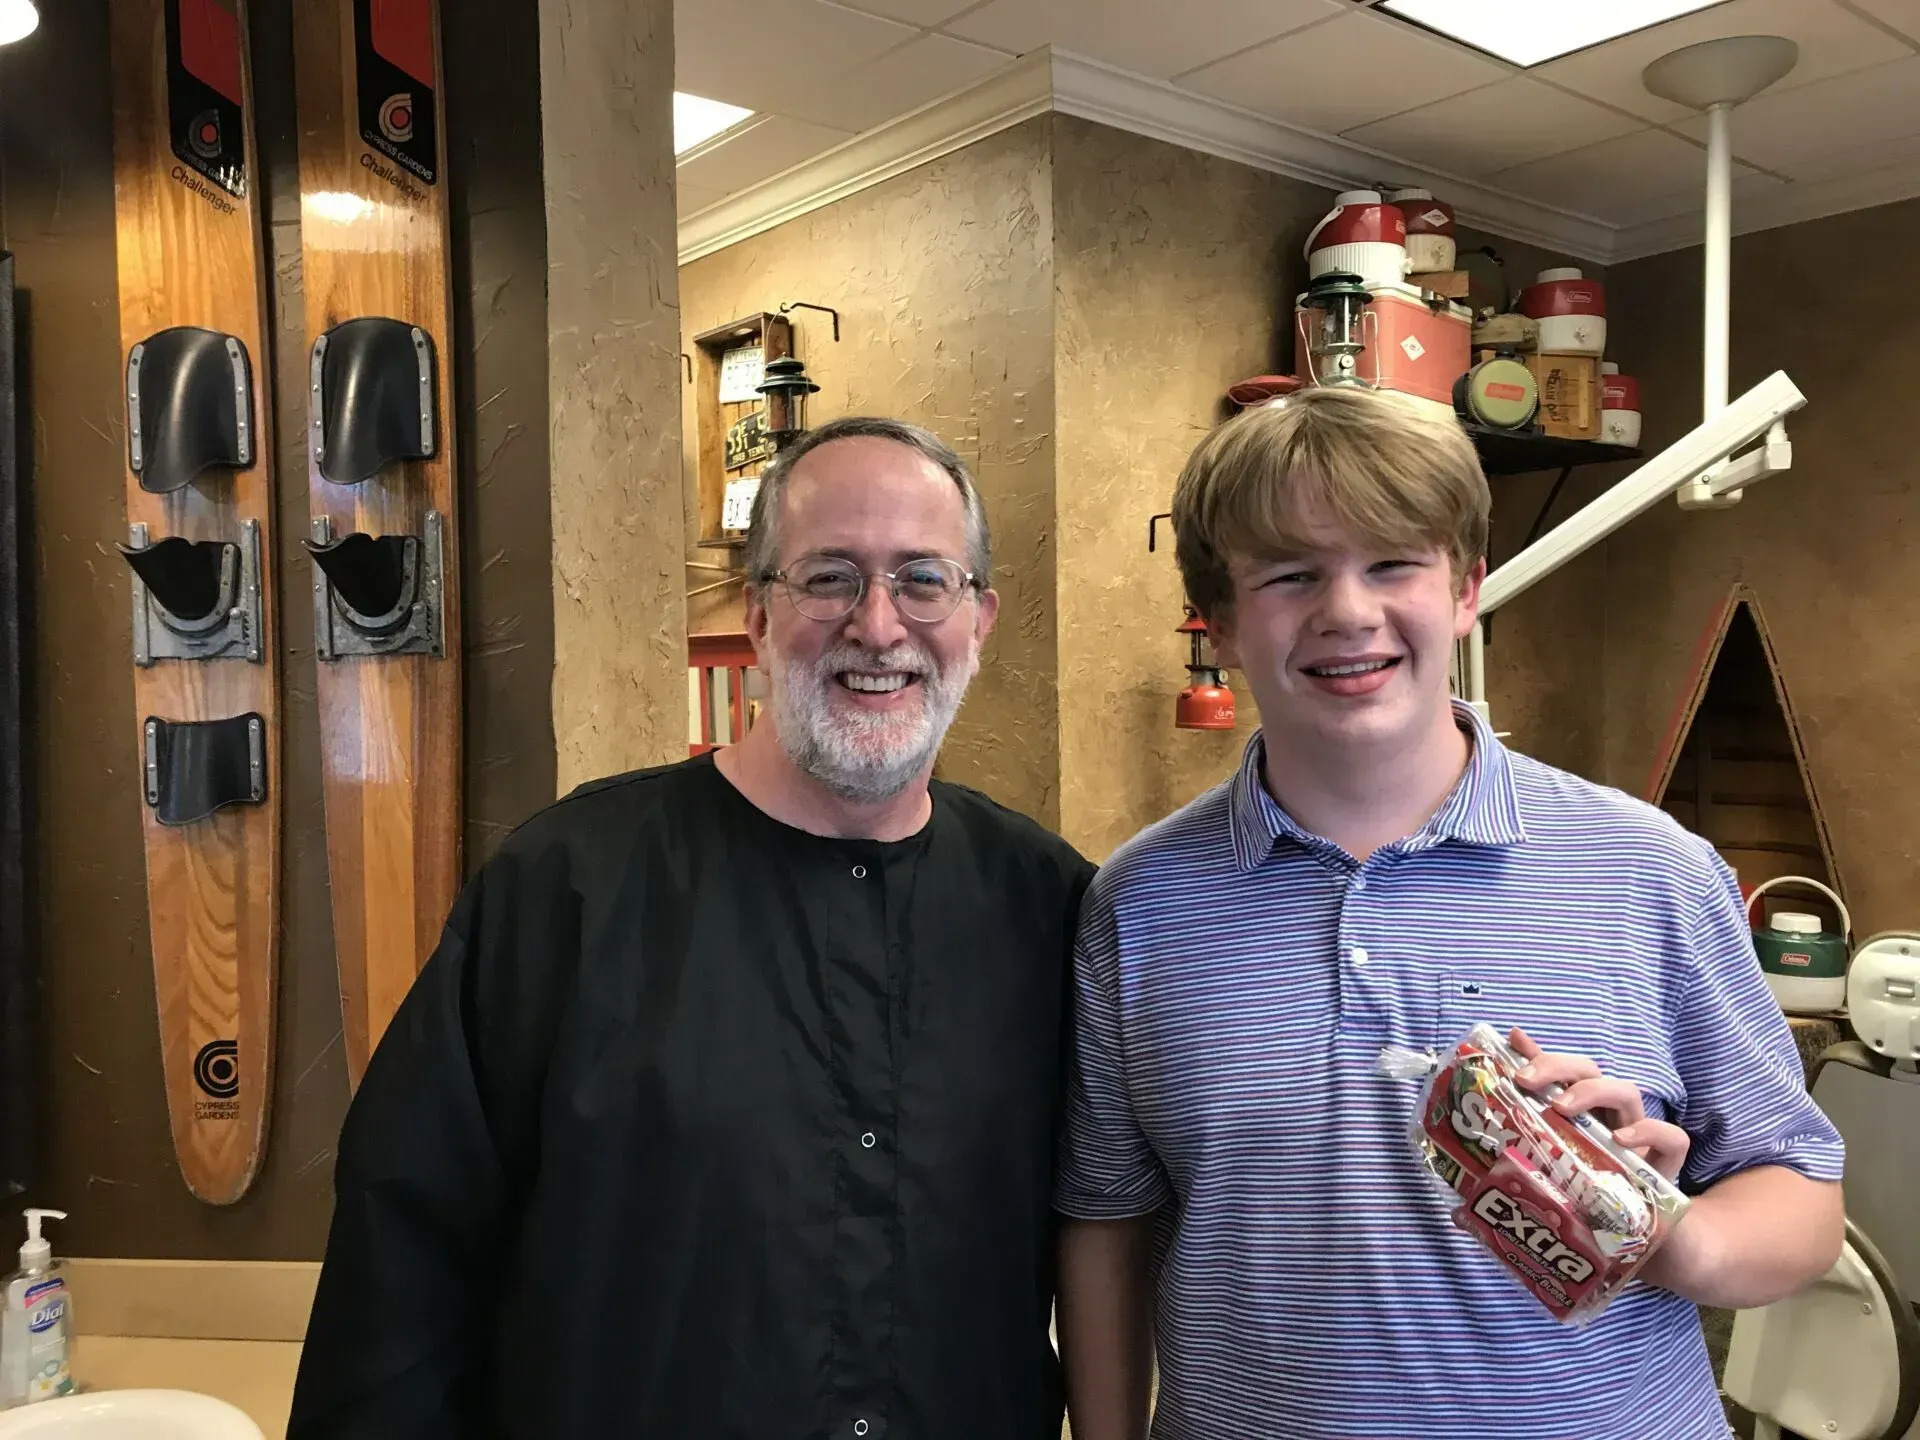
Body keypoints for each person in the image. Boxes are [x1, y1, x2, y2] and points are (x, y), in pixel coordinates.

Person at [1053, 387, 1845, 1440]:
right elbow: (1108, 1219)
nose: (1347, 610)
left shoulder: (1651, 870)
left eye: (1393, 564)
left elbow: (1801, 1198)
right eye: (1290, 575)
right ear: (1223, 621)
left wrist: (1671, 1236)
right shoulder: (1139, 902)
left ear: (1466, 588)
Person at [289, 416, 1095, 1440]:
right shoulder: (564, 890)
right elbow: (400, 1264)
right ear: (757, 616)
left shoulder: (1051, 906)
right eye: (830, 577)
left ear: (980, 620)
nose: (879, 625)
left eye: (923, 579)